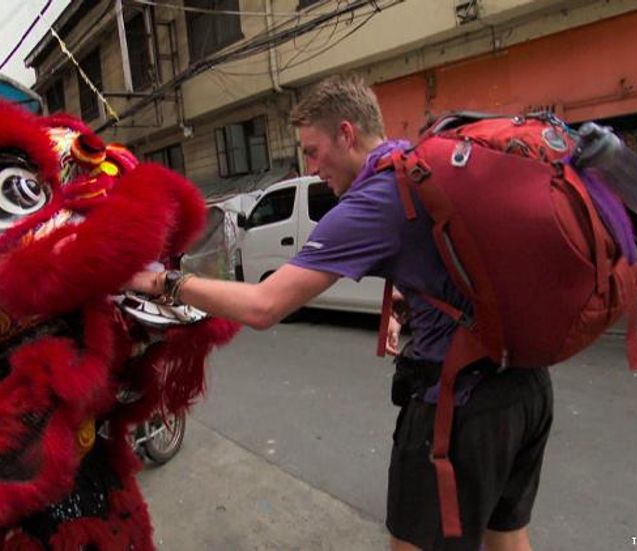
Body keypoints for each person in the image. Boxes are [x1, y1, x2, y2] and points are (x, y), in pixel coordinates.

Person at [126, 74, 552, 551]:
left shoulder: (374, 201)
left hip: (460, 405)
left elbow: (265, 306)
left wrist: (165, 282)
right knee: (507, 537)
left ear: (346, 134)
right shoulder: (417, 165)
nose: (311, 168)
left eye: (312, 151)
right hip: (526, 384)